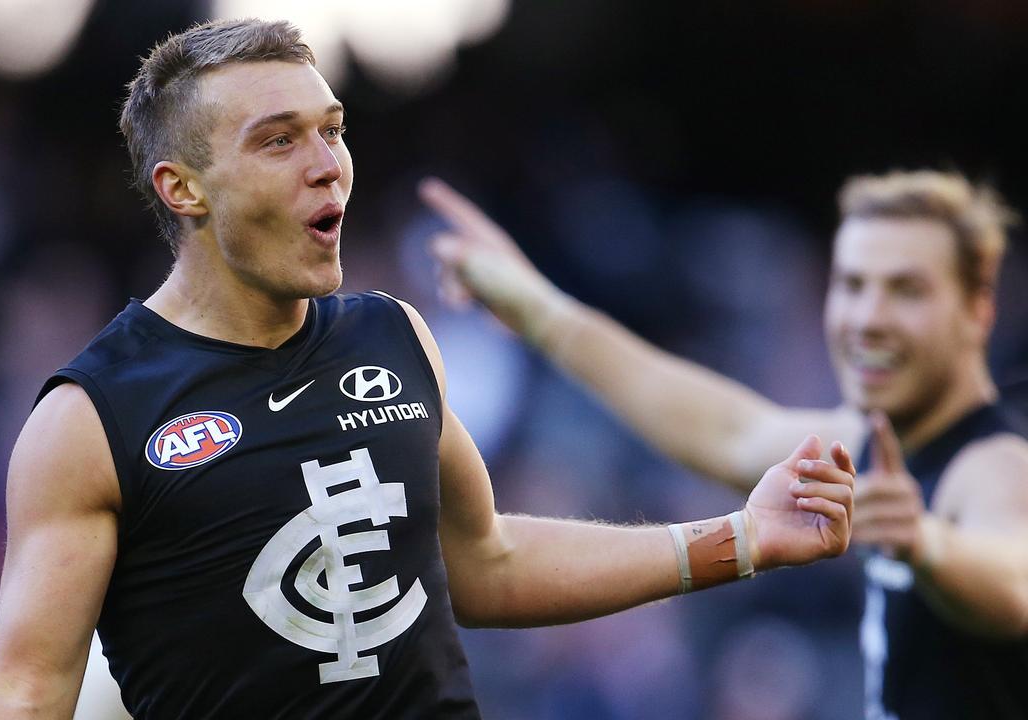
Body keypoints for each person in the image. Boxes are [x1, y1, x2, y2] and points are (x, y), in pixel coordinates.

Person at [0, 19, 856, 720]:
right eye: (279, 139)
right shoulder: (91, 417)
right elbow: (29, 690)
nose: (326, 163)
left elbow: (478, 566)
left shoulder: (391, 336)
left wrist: (737, 542)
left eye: (333, 132)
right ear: (183, 189)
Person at [420, 171, 1028, 719]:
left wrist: (928, 542)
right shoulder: (878, 440)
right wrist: (537, 307)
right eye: (852, 285)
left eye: (906, 290)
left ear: (978, 310)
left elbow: (1014, 582)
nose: (867, 317)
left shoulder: (995, 461)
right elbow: (725, 429)